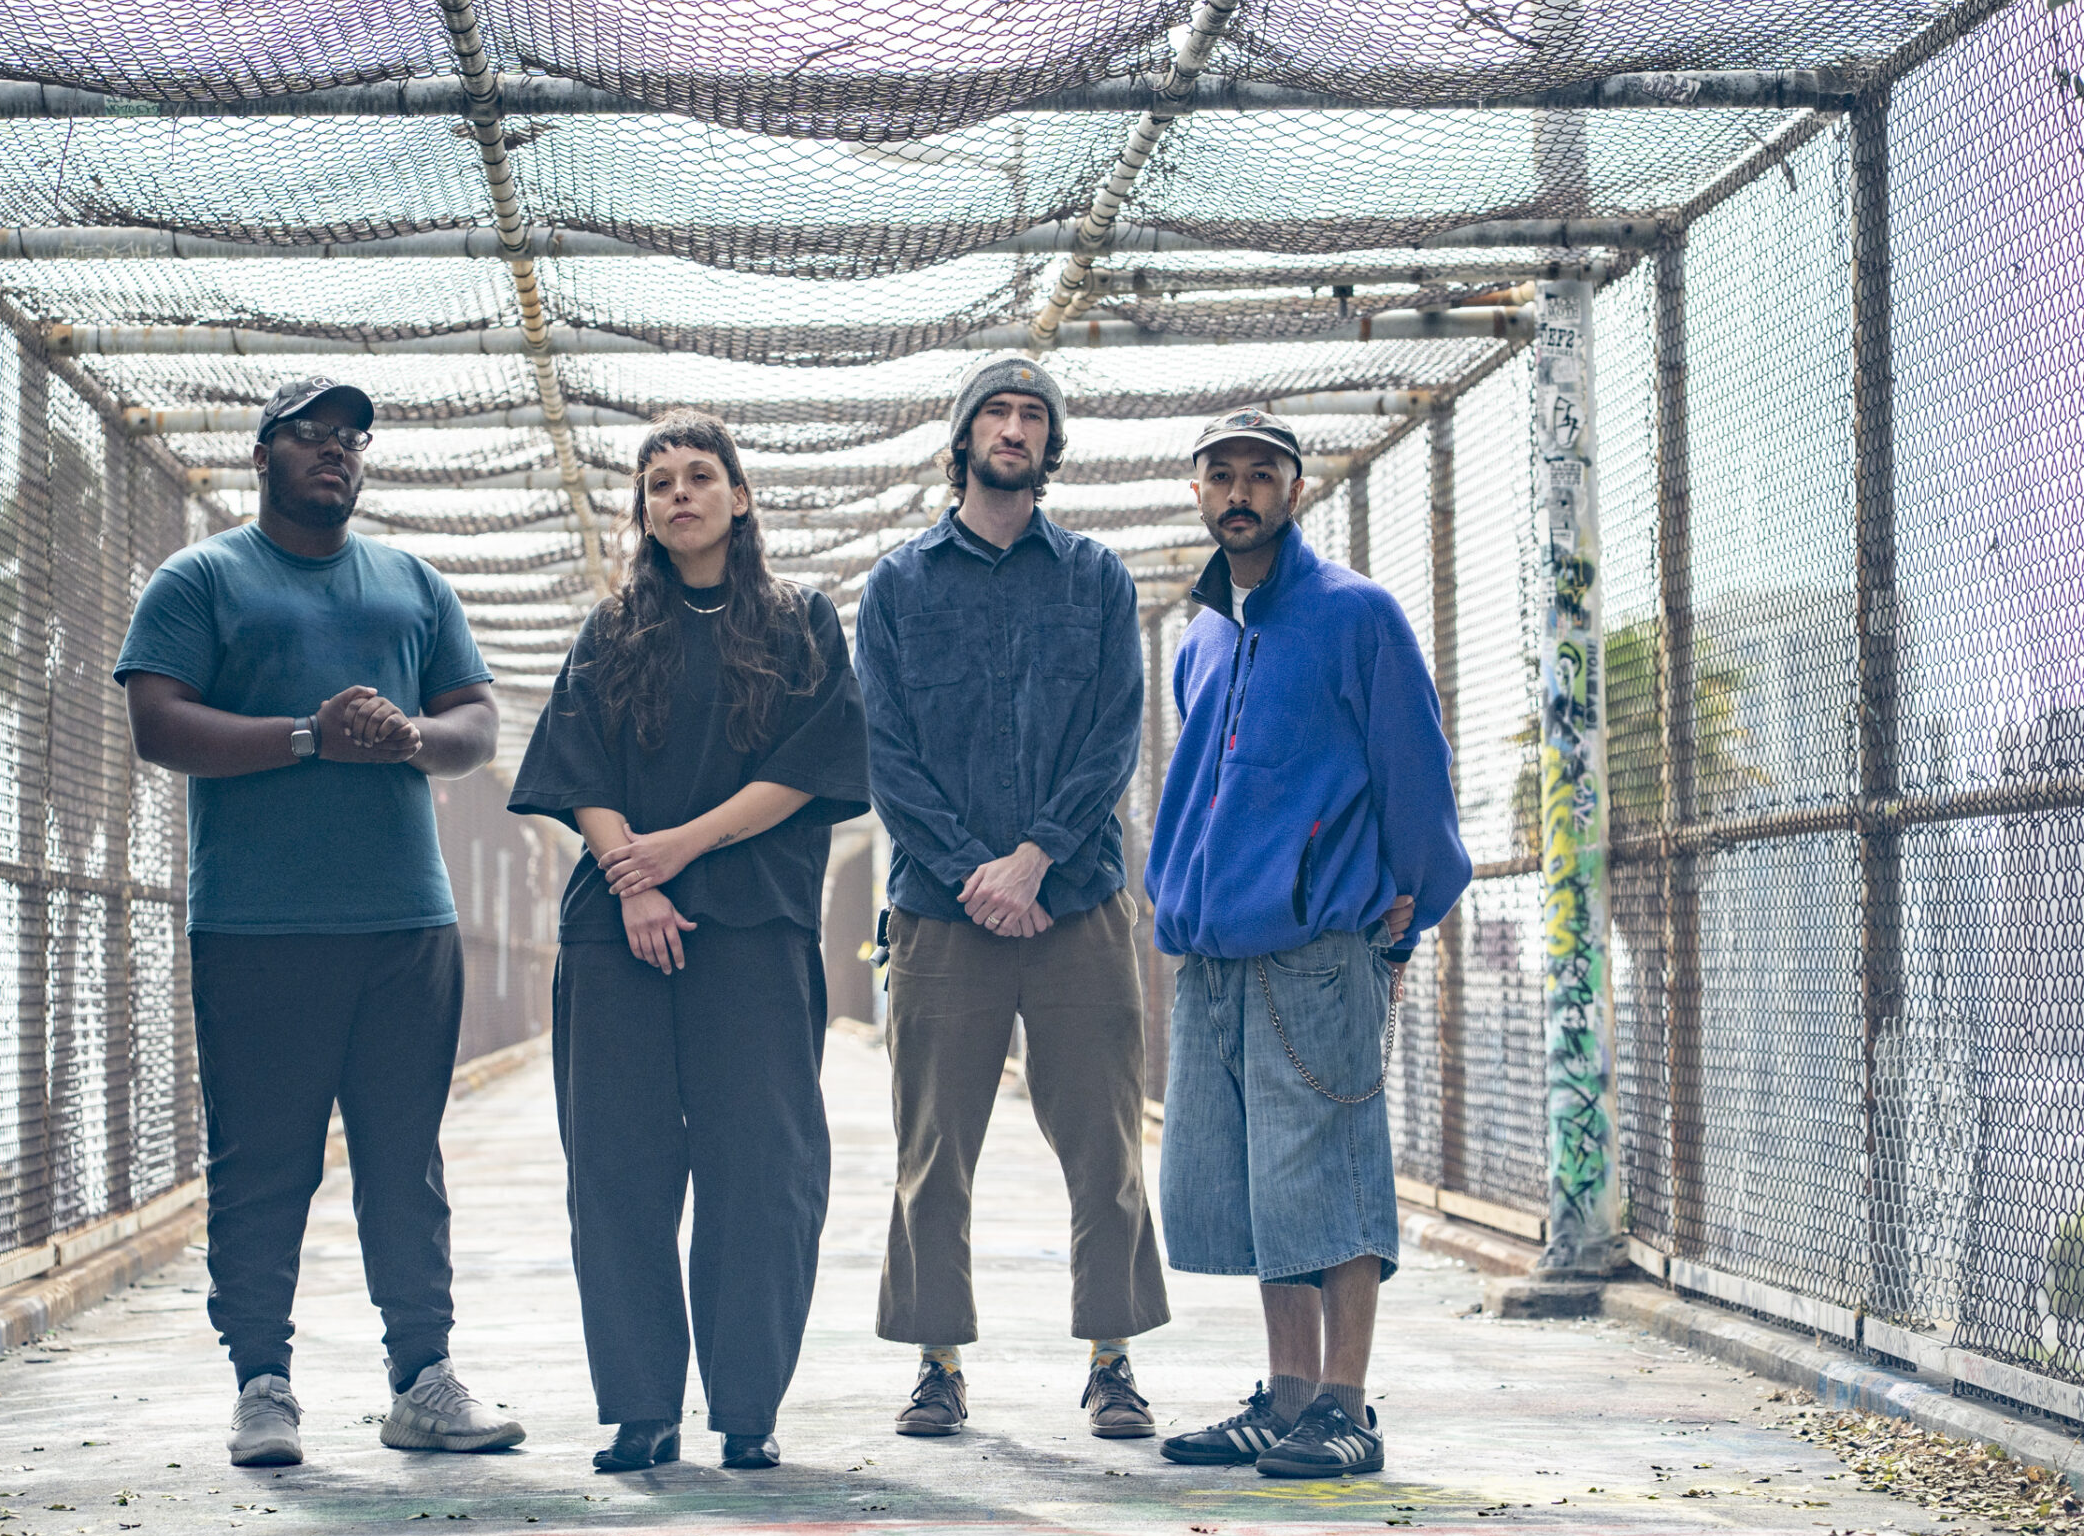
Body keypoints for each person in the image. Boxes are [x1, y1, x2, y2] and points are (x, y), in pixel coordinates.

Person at [114, 375, 526, 1468]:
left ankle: (423, 1381)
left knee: (405, 1157)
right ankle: (262, 1385)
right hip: (258, 925)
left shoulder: (411, 582)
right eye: (310, 435)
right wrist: (308, 737)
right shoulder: (202, 578)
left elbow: (476, 724)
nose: (335, 452)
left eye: (351, 438)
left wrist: (406, 739)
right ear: (262, 455)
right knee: (264, 1162)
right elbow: (158, 723)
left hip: (406, 922)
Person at [508, 409, 868, 1475]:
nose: (678, 493)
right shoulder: (612, 627)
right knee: (617, 1167)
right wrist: (632, 877)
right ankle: (640, 1407)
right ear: (643, 509)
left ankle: (747, 1407)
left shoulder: (800, 621)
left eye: (700, 475)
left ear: (739, 496)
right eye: (657, 480)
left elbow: (811, 769)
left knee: (763, 1168)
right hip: (616, 932)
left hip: (754, 929)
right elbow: (577, 771)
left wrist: (678, 850)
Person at [1144, 407, 1470, 1478]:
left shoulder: (1354, 615)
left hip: (1318, 950)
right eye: (1220, 474)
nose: (1240, 491)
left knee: (1327, 1175)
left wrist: (1409, 908)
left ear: (1296, 491)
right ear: (1196, 492)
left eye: (1262, 474)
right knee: (1250, 1186)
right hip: (1218, 956)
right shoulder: (1202, 634)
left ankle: (1346, 1404)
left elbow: (1414, 774)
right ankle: (1286, 1396)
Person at [854, 356, 1169, 1441]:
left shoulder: (1096, 577)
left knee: (1106, 1141)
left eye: (1034, 415)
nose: (1016, 427)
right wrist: (972, 874)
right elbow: (886, 754)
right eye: (997, 411)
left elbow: (1114, 734)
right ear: (963, 436)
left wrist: (1033, 857)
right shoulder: (898, 584)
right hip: (944, 915)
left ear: (1050, 445)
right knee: (934, 1146)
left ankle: (1111, 1359)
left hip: (1076, 900)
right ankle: (937, 1363)